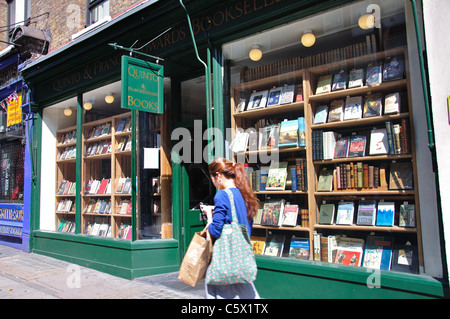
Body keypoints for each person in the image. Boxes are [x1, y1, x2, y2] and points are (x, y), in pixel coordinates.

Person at [200, 158, 260, 299]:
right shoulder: (244, 194)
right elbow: (239, 220)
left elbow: (215, 230)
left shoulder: (222, 195)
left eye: (212, 179)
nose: (213, 183)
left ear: (219, 176)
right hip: (241, 256)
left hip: (226, 257)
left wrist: (210, 216)